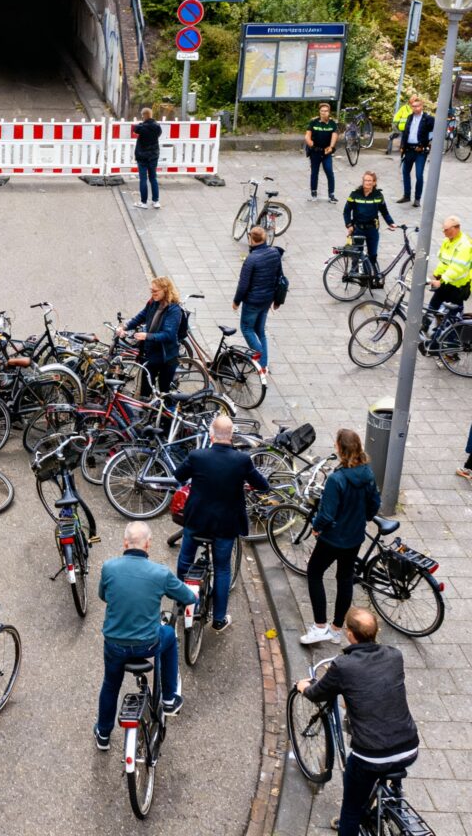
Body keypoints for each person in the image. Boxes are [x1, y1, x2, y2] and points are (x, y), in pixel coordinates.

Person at [297, 607, 419, 836]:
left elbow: (317, 693)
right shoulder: (395, 655)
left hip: (370, 754)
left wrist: (303, 687)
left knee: (351, 809)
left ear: (350, 635)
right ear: (377, 630)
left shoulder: (343, 666)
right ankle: (393, 801)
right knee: (389, 766)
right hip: (409, 746)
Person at [93, 521, 196, 750]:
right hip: (147, 645)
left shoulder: (109, 567)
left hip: (115, 645)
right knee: (168, 634)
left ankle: (103, 734)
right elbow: (189, 597)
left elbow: (104, 596)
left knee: (110, 684)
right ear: (148, 544)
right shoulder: (160, 573)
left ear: (125, 542)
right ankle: (169, 698)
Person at [173, 415, 269, 634]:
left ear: (211, 435)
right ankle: (218, 618)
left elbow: (179, 475)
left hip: (196, 520)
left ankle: (180, 600)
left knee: (186, 558)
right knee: (222, 568)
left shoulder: (197, 456)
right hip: (226, 526)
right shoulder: (242, 460)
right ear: (232, 436)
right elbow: (262, 486)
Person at [300, 429, 380, 645]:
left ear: (340, 448)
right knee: (344, 579)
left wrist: (317, 528)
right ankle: (336, 629)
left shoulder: (337, 479)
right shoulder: (367, 473)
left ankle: (319, 626)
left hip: (333, 538)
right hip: (354, 537)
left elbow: (326, 514)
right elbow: (374, 504)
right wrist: (364, 518)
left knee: (315, 573)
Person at [116, 276, 183, 397]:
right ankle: (145, 412)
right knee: (145, 391)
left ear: (165, 290)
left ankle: (164, 415)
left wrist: (147, 336)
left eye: (155, 291)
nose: (152, 293)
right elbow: (141, 316)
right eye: (151, 290)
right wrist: (124, 327)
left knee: (164, 394)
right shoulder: (153, 302)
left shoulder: (174, 310)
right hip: (151, 354)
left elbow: (168, 334)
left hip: (166, 357)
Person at [232, 226, 283, 381]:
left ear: (251, 239)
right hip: (267, 299)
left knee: (246, 328)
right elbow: (279, 276)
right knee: (260, 331)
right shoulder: (275, 253)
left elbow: (243, 284)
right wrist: (275, 299)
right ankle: (264, 365)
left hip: (253, 301)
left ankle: (260, 362)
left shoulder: (251, 259)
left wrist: (236, 301)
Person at [343, 171, 396, 283]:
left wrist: (391, 223)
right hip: (358, 228)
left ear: (374, 182)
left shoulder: (378, 196)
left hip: (372, 229)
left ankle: (371, 275)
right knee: (357, 253)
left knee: (372, 254)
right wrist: (349, 225)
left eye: (369, 181)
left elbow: (384, 211)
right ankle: (355, 274)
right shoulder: (355, 194)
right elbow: (346, 211)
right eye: (365, 180)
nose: (367, 183)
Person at [428, 215, 472, 313]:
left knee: (453, 316)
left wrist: (441, 280)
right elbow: (443, 261)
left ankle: (454, 327)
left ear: (456, 228)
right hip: (446, 282)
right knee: (432, 307)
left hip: (457, 286)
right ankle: (425, 325)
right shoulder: (447, 241)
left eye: (446, 230)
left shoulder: (465, 245)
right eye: (443, 230)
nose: (444, 233)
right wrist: (437, 274)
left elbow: (457, 268)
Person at [398, 96, 433, 207]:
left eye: (417, 106)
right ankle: (407, 196)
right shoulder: (409, 117)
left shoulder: (428, 119)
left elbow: (433, 134)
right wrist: (402, 146)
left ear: (422, 106)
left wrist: (424, 145)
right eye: (413, 106)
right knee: (405, 172)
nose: (415, 108)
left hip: (420, 151)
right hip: (408, 149)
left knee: (419, 175)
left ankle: (417, 199)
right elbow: (405, 133)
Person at [304, 103, 339, 203]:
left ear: (329, 112)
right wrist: (310, 143)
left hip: (326, 152)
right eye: (322, 111)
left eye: (326, 111)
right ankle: (314, 193)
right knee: (314, 173)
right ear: (319, 112)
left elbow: (335, 135)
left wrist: (331, 147)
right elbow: (307, 135)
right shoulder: (314, 122)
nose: (323, 113)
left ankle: (331, 195)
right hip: (315, 152)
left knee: (329, 171)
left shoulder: (332, 123)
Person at [131, 107, 163, 210]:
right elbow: (158, 134)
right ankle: (156, 201)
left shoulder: (142, 128)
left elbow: (135, 129)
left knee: (143, 179)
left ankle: (143, 202)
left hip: (142, 156)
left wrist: (142, 123)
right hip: (153, 156)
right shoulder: (157, 127)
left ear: (144, 116)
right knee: (153, 178)